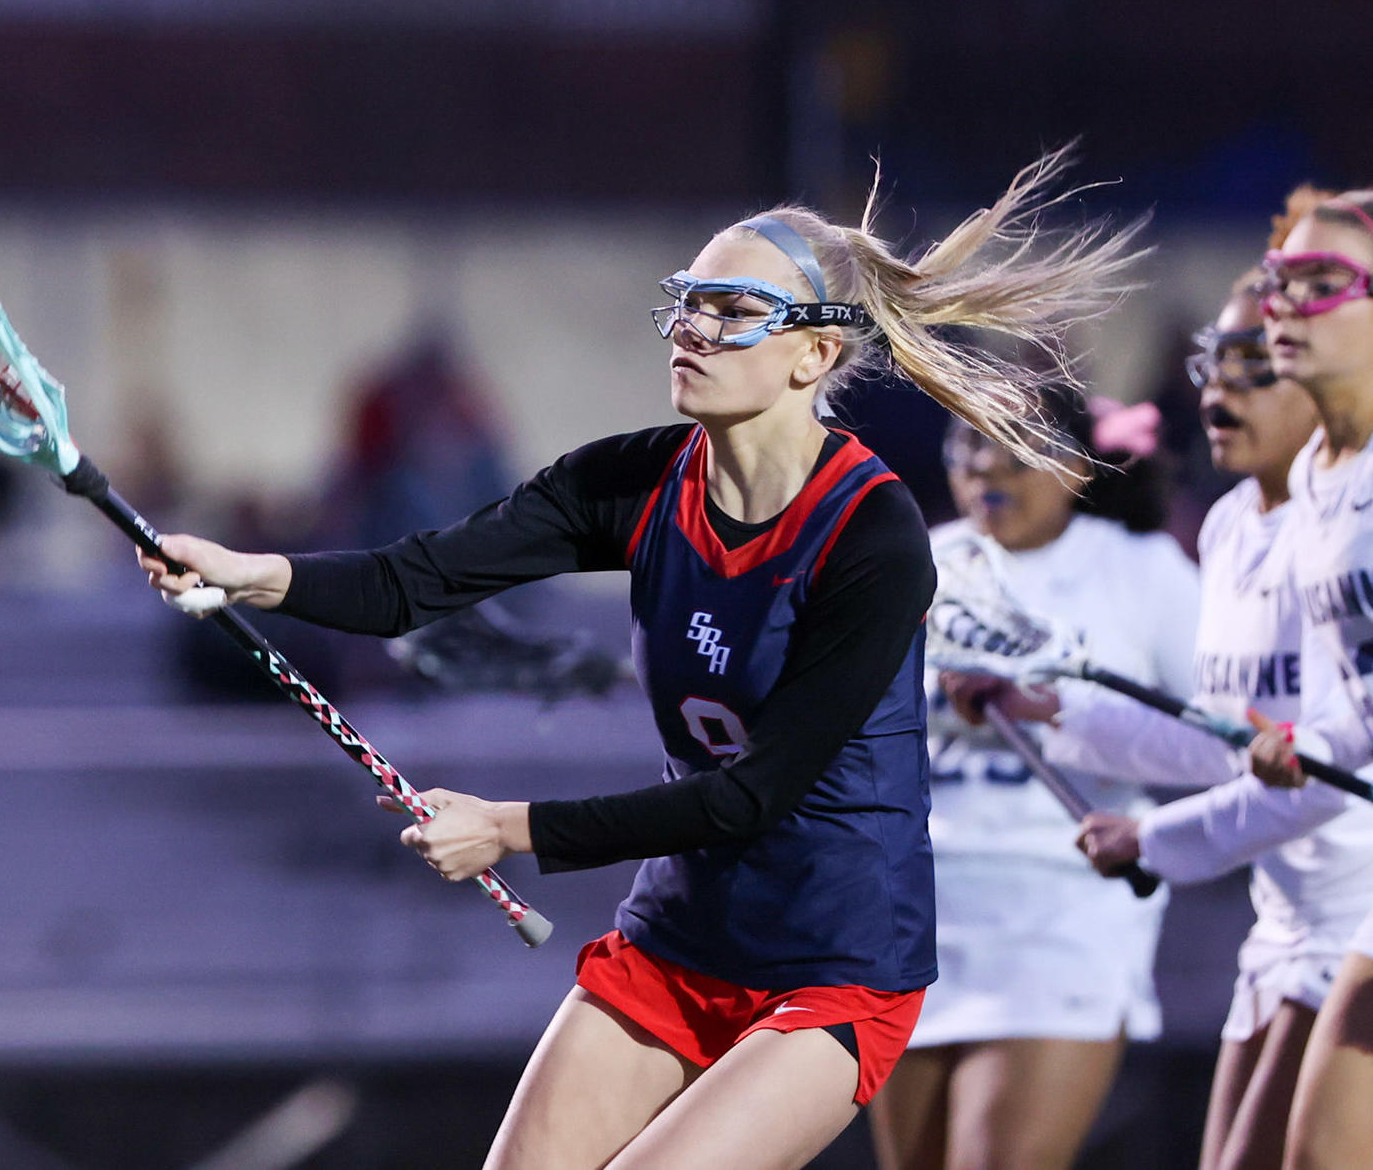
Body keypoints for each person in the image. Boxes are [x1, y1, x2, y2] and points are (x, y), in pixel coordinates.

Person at [139, 153, 1142, 1170]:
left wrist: (510, 827)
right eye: (689, 301)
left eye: (736, 308)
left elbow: (752, 794)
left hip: (834, 966)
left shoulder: (869, 532)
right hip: (680, 938)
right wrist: (251, 573)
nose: (696, 328)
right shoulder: (634, 479)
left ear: (813, 354)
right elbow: (417, 579)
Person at [1044, 197, 1355, 1170]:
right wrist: (1055, 711)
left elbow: (1320, 750)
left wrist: (1158, 838)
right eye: (1210, 368)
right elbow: (1246, 734)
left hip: (1351, 914)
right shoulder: (1241, 529)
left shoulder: (1344, 508)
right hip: (1283, 925)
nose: (1221, 393)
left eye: (1251, 367)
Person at [868, 380, 1203, 1170]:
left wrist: (1049, 707)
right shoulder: (922, 562)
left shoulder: (1140, 569)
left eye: (1016, 450)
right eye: (967, 447)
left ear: (1078, 465)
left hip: (1062, 913)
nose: (988, 468)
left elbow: (1220, 737)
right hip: (913, 918)